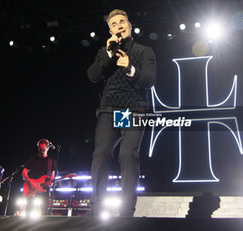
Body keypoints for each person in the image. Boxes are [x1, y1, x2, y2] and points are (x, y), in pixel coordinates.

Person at [87, 9, 156, 217]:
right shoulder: (104, 52)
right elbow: (92, 76)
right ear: (110, 30)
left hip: (133, 108)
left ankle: (127, 210)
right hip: (109, 109)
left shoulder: (145, 51)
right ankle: (96, 207)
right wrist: (108, 53)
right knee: (101, 153)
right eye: (114, 23)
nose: (119, 25)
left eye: (122, 22)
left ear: (130, 25)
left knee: (127, 155)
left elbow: (149, 80)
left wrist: (130, 68)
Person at [15, 138, 57, 216]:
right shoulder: (33, 158)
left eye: (43, 149)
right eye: (40, 149)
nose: (41, 151)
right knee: (29, 210)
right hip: (31, 188)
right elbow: (24, 173)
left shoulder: (51, 161)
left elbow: (52, 177)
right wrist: (30, 183)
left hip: (43, 188)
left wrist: (50, 182)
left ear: (47, 148)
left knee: (44, 211)